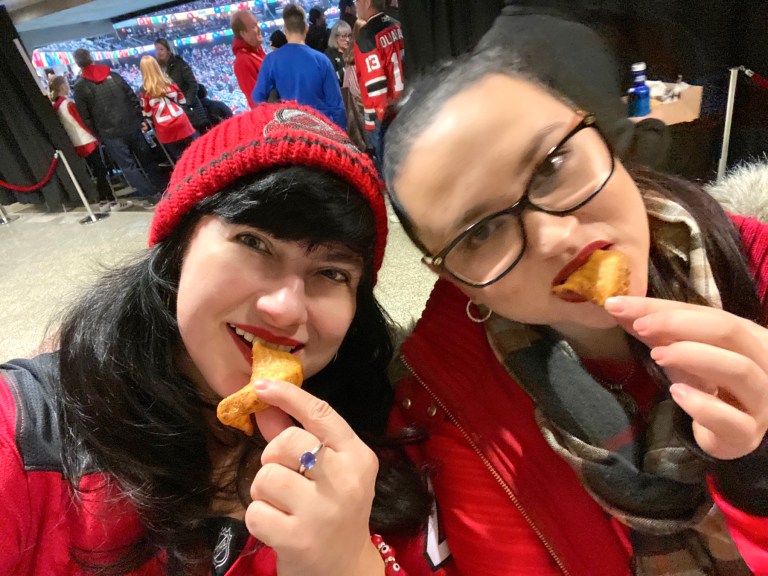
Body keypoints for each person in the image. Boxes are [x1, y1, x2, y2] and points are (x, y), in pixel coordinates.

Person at [0, 102, 435, 575]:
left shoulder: (377, 438)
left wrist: (349, 563)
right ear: (177, 248)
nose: (286, 309)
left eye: (332, 272)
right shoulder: (26, 434)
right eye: (254, 242)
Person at [383, 49, 768, 575]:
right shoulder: (458, 413)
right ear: (452, 278)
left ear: (603, 134)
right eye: (482, 232)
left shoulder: (756, 267)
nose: (555, 238)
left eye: (551, 166)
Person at [72, 48, 165, 209]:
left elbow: (85, 117)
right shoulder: (113, 75)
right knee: (147, 160)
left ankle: (151, 196)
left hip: (110, 134)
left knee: (128, 167)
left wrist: (99, 135)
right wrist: (139, 118)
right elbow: (132, 97)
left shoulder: (80, 87)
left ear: (77, 64)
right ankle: (163, 187)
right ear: (91, 57)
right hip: (131, 125)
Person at [253, 4, 346, 130]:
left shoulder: (270, 61)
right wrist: (341, 134)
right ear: (306, 28)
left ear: (285, 29)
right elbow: (337, 106)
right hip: (322, 130)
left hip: (292, 132)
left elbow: (258, 98)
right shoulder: (322, 60)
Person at [48, 75, 133, 212]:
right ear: (63, 86)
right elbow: (82, 123)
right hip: (87, 140)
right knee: (101, 172)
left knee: (97, 172)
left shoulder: (57, 107)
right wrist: (96, 136)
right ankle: (110, 201)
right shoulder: (68, 104)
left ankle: (104, 201)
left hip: (77, 143)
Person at [353, 0, 404, 171]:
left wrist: (381, 125)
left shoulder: (367, 36)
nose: (355, 5)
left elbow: (377, 88)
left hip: (384, 120)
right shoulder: (397, 25)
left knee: (389, 173)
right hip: (405, 109)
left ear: (367, 2)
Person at [139, 56, 198, 162]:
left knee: (182, 160)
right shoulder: (169, 81)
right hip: (181, 122)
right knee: (197, 152)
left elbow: (147, 113)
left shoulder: (144, 90)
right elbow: (182, 100)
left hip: (165, 129)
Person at [154, 38, 211, 133]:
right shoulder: (158, 70)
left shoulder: (179, 64)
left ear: (168, 50)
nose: (159, 52)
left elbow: (193, 84)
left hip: (193, 111)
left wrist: (187, 103)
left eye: (161, 49)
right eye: (157, 49)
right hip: (177, 115)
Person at [231, 9, 267, 110]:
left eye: (257, 24)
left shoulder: (257, 51)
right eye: (253, 27)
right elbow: (257, 102)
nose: (259, 29)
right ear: (243, 34)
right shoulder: (242, 62)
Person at [326, 20, 352, 86]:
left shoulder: (352, 51)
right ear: (335, 37)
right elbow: (332, 78)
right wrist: (348, 68)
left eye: (349, 36)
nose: (348, 40)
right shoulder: (330, 53)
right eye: (344, 36)